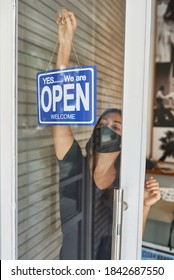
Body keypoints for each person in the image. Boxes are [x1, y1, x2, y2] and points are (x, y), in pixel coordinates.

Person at [52, 9, 161, 259]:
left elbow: (132, 240)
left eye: (116, 128)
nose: (107, 129)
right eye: (104, 122)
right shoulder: (73, 167)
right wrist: (66, 43)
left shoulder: (125, 181)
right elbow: (59, 115)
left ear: (124, 142)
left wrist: (144, 206)